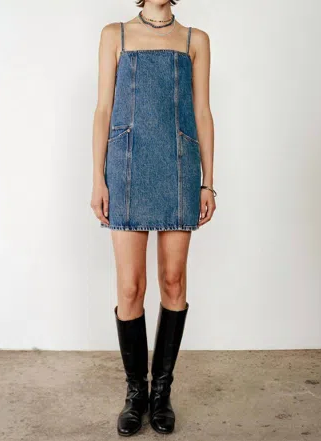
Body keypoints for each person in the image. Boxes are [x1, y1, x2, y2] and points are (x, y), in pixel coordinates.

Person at [90, 0, 216, 436]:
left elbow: (202, 112)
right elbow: (103, 110)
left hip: (179, 165)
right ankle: (135, 394)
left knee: (173, 281)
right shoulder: (115, 35)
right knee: (130, 286)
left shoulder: (195, 40)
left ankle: (161, 392)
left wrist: (208, 182)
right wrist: (98, 178)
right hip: (126, 165)